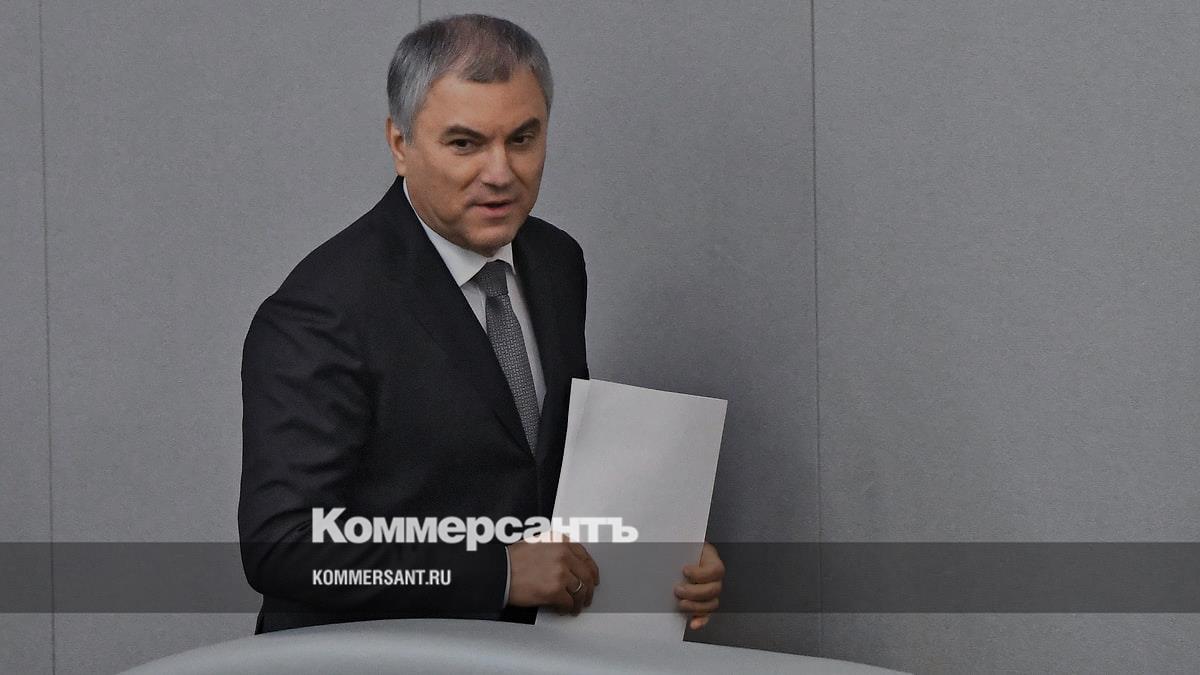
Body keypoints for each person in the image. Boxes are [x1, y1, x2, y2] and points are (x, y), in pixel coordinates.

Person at [238, 14, 724, 635]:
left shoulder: (556, 261)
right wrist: (495, 574)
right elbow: (284, 547)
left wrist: (654, 554)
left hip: (525, 652)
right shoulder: (320, 311)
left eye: (522, 139)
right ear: (400, 144)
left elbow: (536, 479)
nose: (500, 173)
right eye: (465, 144)